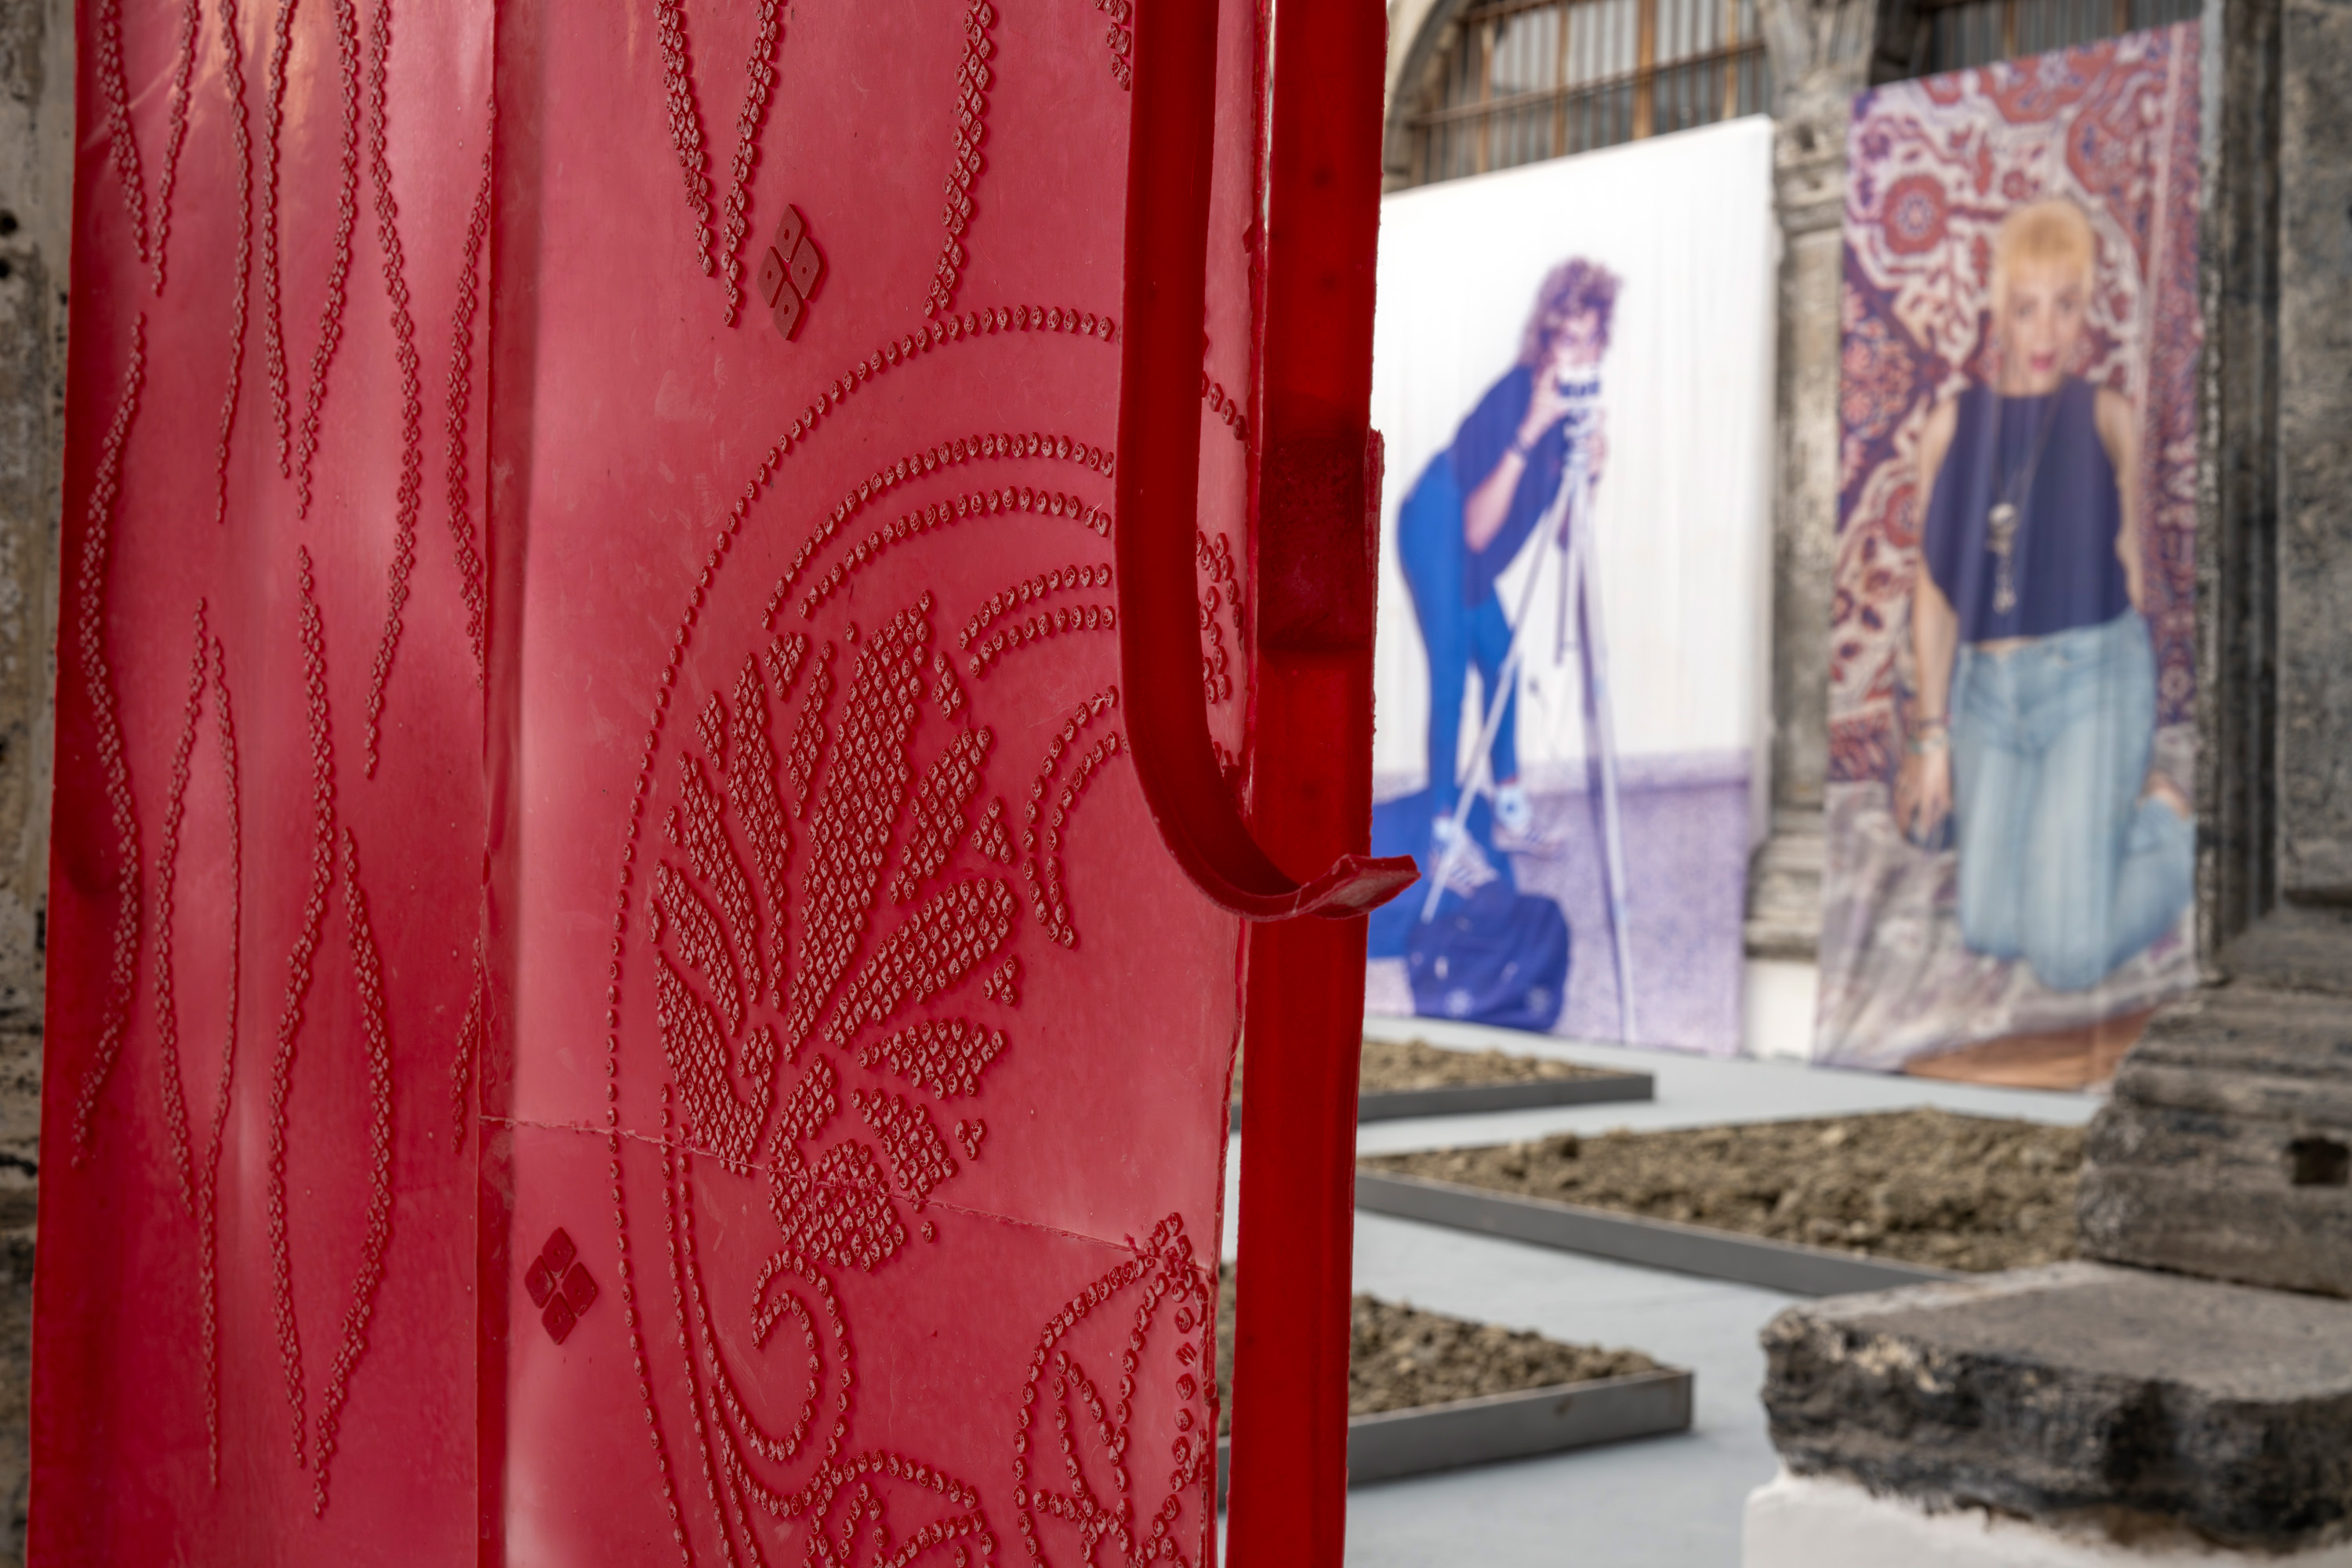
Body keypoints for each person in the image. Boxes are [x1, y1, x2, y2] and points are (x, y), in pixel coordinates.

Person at [1895, 198, 2190, 993]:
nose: (2046, 331)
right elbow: (1934, 591)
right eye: (2026, 308)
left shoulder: (2108, 416)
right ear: (2000, 310)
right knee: (1991, 926)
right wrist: (1932, 737)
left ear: (2086, 306)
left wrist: (2126, 735)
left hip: (2091, 680)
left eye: (2065, 305)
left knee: (2064, 954)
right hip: (1988, 697)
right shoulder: (1950, 426)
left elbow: (2135, 575)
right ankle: (2093, 836)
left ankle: (2171, 828)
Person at [1396, 258, 1617, 888]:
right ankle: (1443, 836)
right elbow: (1475, 531)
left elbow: (1568, 535)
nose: (1577, 356)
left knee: (1504, 663)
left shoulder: (1577, 415)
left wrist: (1592, 473)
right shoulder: (1516, 398)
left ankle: (1510, 812)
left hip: (1471, 546)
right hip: (1437, 521)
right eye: (1566, 339)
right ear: (1545, 339)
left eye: (1590, 341)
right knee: (1451, 676)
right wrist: (1529, 433)